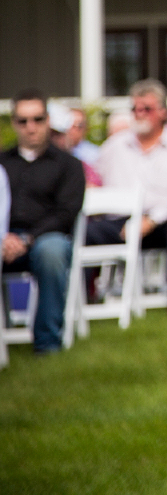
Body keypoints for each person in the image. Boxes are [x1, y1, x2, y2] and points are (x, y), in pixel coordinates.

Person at [92, 79, 167, 316]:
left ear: (163, 112)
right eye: (135, 109)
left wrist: (152, 220)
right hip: (119, 222)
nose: (140, 114)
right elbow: (95, 179)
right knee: (80, 231)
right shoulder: (115, 145)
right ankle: (81, 296)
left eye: (147, 109)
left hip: (162, 222)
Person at [1, 89, 85, 353]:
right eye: (23, 120)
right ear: (14, 123)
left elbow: (66, 213)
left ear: (48, 120)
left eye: (37, 119)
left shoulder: (69, 165)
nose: (31, 127)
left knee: (52, 252)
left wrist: (27, 239)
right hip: (4, 238)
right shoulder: (2, 163)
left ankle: (47, 343)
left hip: (46, 238)